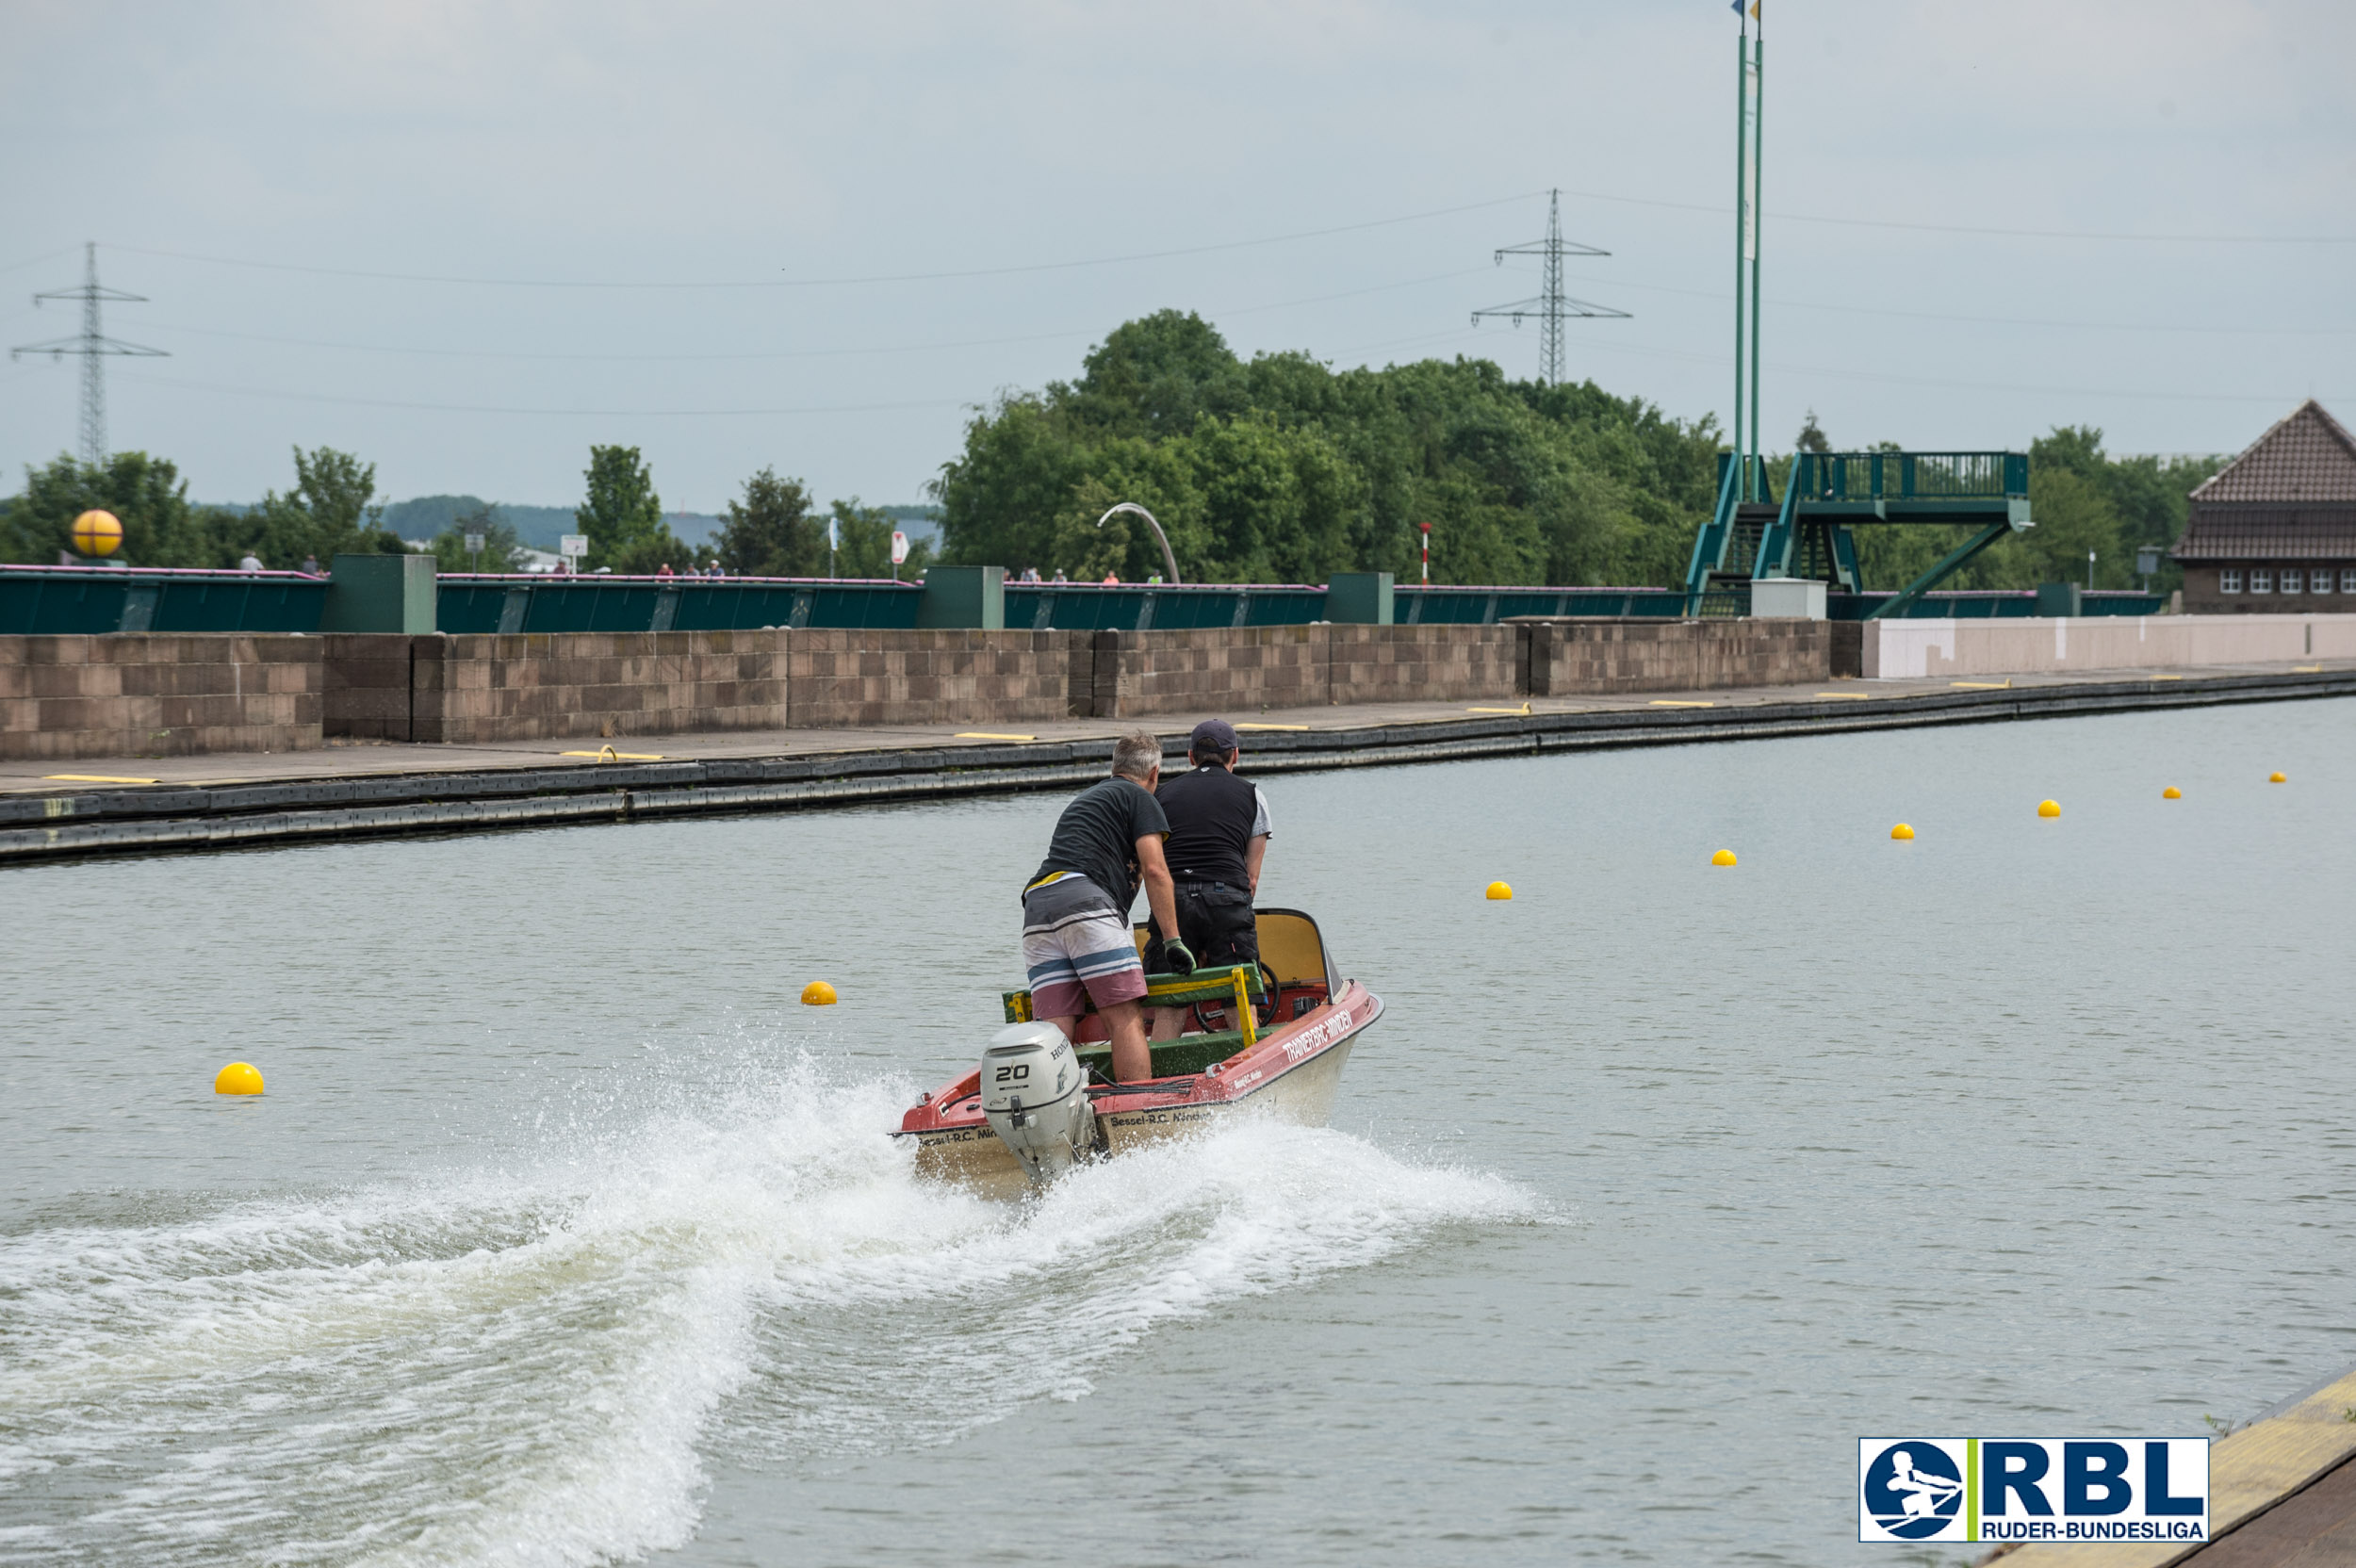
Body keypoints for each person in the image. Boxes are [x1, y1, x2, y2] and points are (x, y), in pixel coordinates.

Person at [1021, 730, 1193, 1084]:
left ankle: (1059, 1110)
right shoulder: (1141, 798)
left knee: (1055, 1029)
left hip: (1038, 906)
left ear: (1114, 767)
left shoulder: (1086, 799)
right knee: (1124, 1016)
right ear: (1155, 774)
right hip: (1087, 903)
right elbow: (1156, 870)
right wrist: (1173, 940)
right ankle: (1137, 1113)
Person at [1148, 719, 1270, 1037]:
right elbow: (1251, 880)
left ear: (1191, 756)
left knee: (1170, 1002)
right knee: (1237, 997)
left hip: (1172, 902)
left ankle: (1158, 1081)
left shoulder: (1161, 795)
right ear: (1236, 755)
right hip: (1227, 899)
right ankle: (1248, 1071)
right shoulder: (1253, 796)